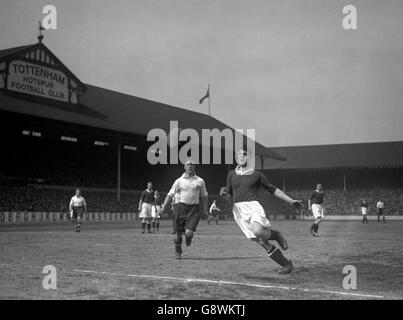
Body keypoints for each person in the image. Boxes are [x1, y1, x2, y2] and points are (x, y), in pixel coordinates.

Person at [220, 148, 303, 274]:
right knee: (261, 241)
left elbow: (273, 189)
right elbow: (229, 196)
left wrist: (290, 201)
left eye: (244, 154)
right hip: (239, 211)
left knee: (258, 231)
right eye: (238, 154)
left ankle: (275, 235)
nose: (241, 156)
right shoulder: (231, 174)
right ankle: (286, 264)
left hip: (253, 207)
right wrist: (224, 194)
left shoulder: (257, 175)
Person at [161, 159, 208, 259]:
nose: (190, 166)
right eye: (188, 164)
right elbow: (170, 194)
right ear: (184, 167)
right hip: (180, 208)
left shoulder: (200, 181)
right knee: (177, 235)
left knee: (188, 233)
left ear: (194, 167)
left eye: (192, 164)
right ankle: (178, 251)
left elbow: (204, 196)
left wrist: (204, 210)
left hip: (194, 209)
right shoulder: (179, 181)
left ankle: (188, 237)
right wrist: (164, 206)